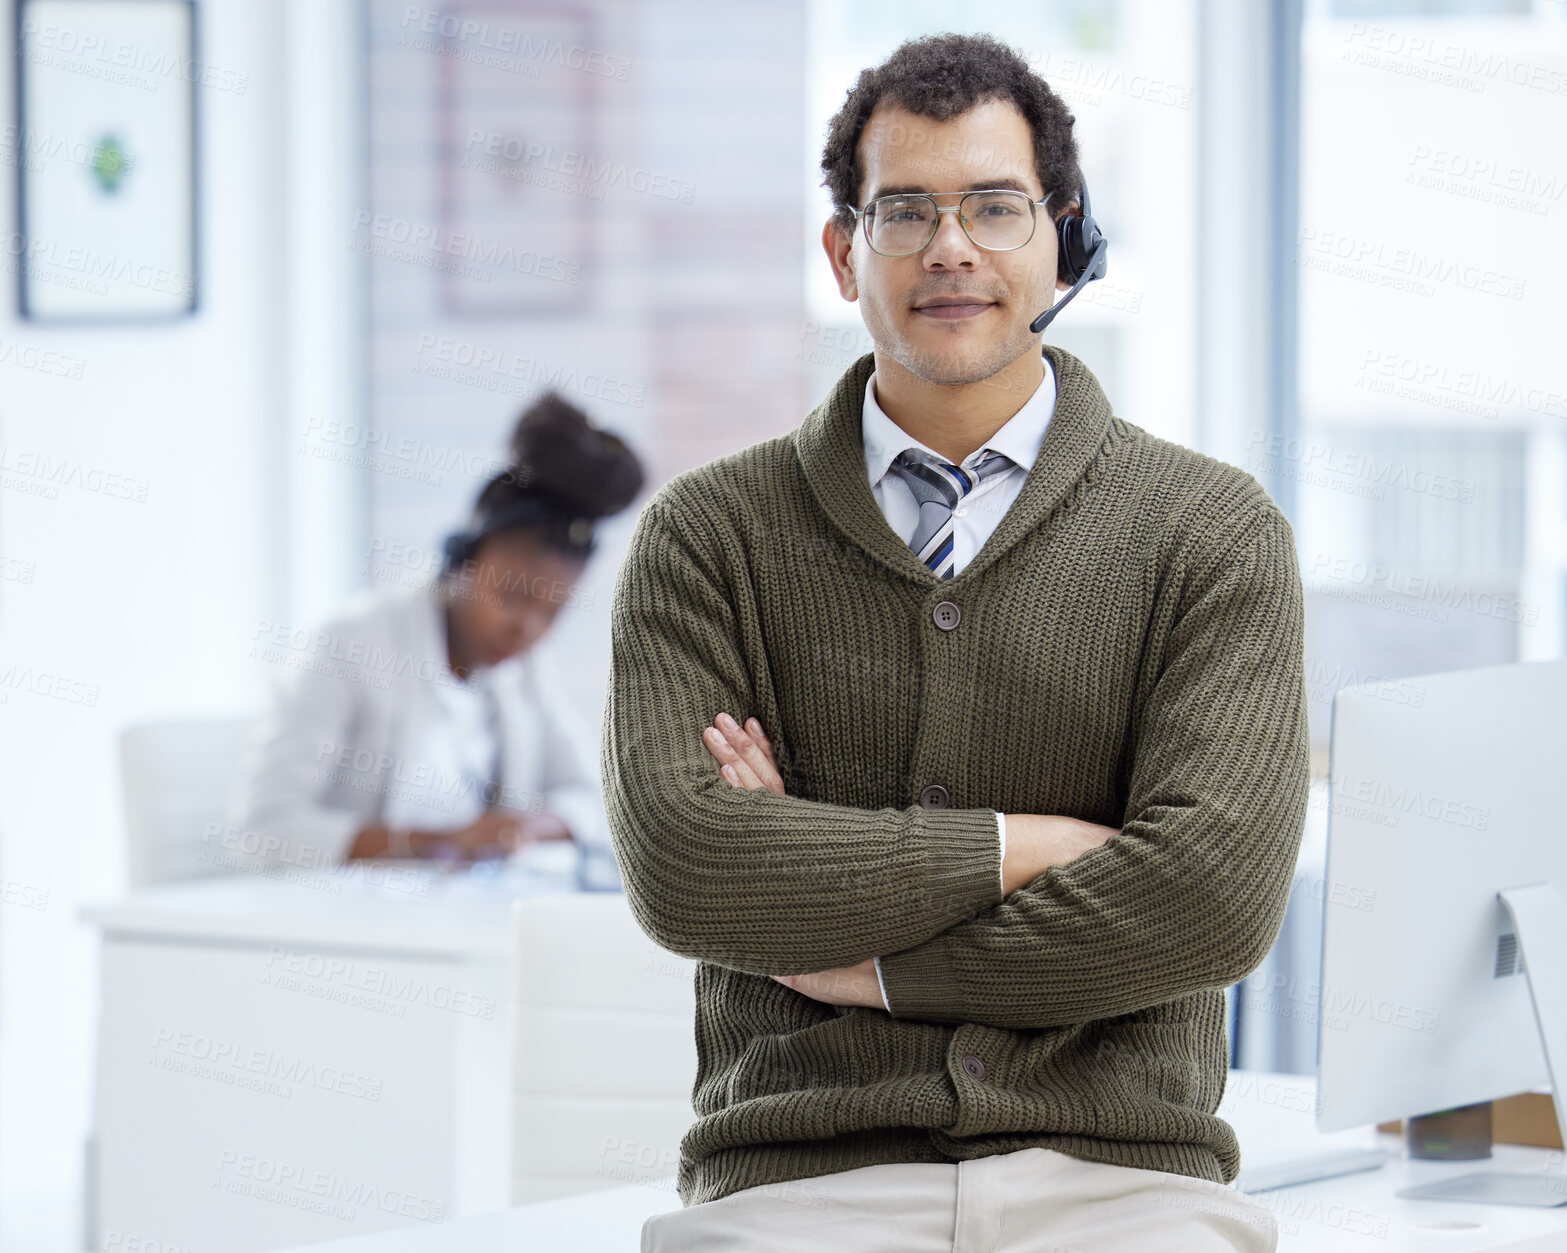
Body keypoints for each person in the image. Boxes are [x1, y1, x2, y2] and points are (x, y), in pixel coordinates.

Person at [602, 32, 1308, 1252]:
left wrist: (865, 964)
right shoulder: (708, 534)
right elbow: (690, 865)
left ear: (1062, 239)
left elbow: (1209, 898)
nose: (949, 246)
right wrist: (1027, 846)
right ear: (841, 252)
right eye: (903, 211)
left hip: (1123, 1180)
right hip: (798, 1180)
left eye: (994, 205)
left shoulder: (1208, 529)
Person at [229, 391, 643, 883]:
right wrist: (436, 844)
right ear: (462, 563)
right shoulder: (348, 646)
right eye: (511, 597)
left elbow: (598, 799)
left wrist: (526, 828)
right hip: (339, 926)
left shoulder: (522, 669)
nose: (526, 628)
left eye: (551, 613)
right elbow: (262, 834)